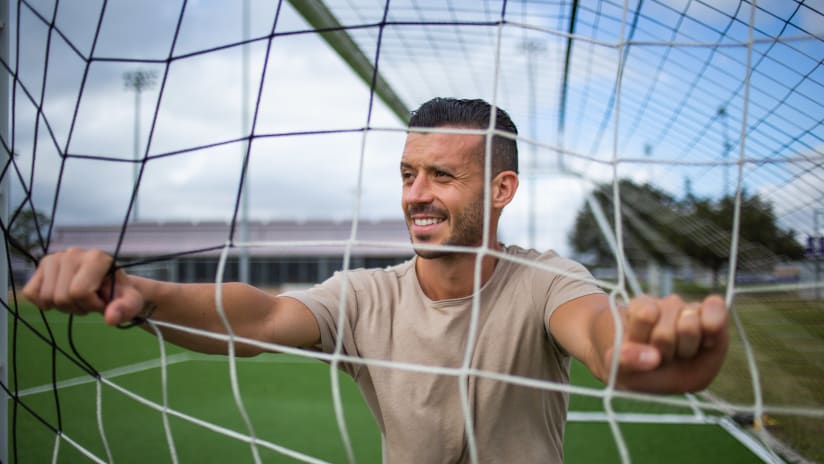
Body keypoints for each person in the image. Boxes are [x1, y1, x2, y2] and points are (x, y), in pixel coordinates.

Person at [23, 97, 728, 463]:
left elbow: (596, 332)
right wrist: (146, 295)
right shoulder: (366, 295)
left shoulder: (546, 280)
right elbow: (263, 316)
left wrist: (637, 352)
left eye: (442, 176)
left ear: (503, 188)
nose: (416, 194)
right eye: (407, 174)